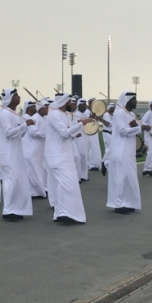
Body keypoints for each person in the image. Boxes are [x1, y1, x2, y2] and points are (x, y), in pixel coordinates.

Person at [45, 92, 94, 223]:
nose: (72, 104)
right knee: (66, 183)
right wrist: (82, 124)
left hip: (64, 154)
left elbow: (68, 134)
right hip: (56, 155)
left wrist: (76, 130)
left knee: (68, 184)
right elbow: (64, 133)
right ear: (64, 102)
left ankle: (62, 213)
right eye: (70, 102)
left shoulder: (64, 115)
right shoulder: (54, 114)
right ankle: (63, 213)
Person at [106, 91, 150, 214]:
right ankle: (118, 204)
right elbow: (122, 131)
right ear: (127, 100)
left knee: (129, 177)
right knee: (121, 177)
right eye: (134, 99)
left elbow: (133, 131)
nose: (136, 102)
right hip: (120, 150)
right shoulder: (119, 113)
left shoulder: (130, 114)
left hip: (129, 151)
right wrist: (140, 127)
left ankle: (128, 202)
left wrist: (137, 126)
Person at [0, 88, 34, 221]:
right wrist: (25, 125)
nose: (19, 97)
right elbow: (8, 133)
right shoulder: (4, 114)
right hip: (7, 152)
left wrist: (25, 126)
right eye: (16, 95)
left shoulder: (15, 113)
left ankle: (16, 208)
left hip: (16, 152)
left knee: (17, 180)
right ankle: (8, 210)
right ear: (10, 98)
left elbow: (20, 134)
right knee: (10, 181)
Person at [23, 99, 48, 198]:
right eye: (45, 108)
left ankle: (41, 189)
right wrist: (47, 135)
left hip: (41, 148)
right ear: (40, 109)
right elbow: (33, 133)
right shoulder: (34, 118)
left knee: (40, 169)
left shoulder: (45, 118)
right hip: (33, 148)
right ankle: (33, 192)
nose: (47, 110)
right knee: (33, 170)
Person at [74, 98, 91, 182]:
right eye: (83, 105)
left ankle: (84, 175)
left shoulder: (87, 113)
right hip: (78, 136)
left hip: (85, 136)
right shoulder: (76, 114)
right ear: (79, 106)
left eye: (85, 104)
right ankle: (78, 176)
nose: (84, 106)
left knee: (84, 156)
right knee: (80, 155)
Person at [98, 103, 115, 175]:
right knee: (110, 149)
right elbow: (108, 124)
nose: (114, 108)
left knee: (110, 149)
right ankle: (103, 162)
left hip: (111, 134)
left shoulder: (113, 115)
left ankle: (106, 162)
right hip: (107, 133)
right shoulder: (106, 115)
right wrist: (101, 119)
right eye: (113, 107)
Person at [87, 98, 103, 172]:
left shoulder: (96, 112)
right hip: (88, 131)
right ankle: (92, 164)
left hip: (94, 131)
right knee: (90, 148)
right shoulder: (87, 112)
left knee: (96, 146)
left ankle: (97, 164)